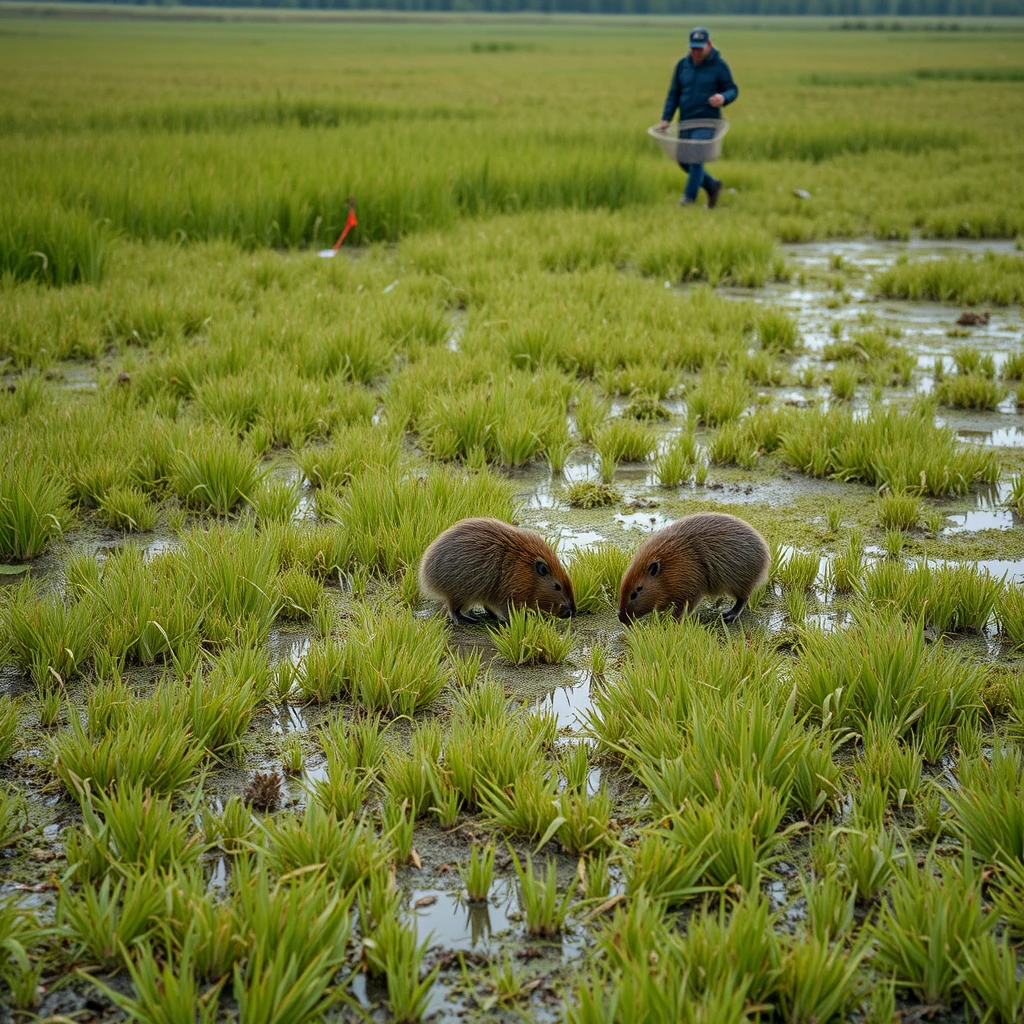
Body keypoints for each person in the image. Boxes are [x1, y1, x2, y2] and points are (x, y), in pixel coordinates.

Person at [658, 27, 738, 209]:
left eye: (700, 49)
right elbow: (674, 94)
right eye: (693, 48)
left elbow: (732, 89)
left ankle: (688, 200)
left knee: (695, 157)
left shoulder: (719, 66)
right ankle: (712, 186)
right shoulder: (682, 66)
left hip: (707, 123)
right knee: (684, 161)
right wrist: (666, 119)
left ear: (709, 45)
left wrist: (723, 97)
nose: (696, 52)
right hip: (686, 121)